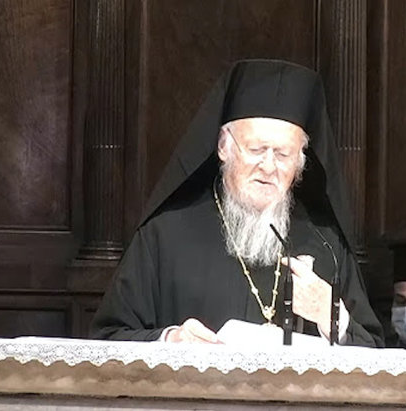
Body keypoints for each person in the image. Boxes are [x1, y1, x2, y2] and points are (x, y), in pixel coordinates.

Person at [90, 59, 383, 347]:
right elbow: (108, 338)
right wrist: (171, 340)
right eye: (256, 150)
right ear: (223, 147)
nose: (269, 167)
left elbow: (373, 355)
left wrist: (330, 315)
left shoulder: (326, 242)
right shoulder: (165, 236)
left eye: (283, 155)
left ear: (301, 162)